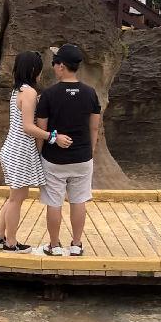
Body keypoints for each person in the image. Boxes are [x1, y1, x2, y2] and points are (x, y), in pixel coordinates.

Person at [0, 52, 72, 253]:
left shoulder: (19, 90)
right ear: (35, 70)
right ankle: (11, 243)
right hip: (20, 150)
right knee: (17, 198)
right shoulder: (29, 92)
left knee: (15, 196)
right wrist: (52, 136)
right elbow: (27, 127)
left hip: (13, 148)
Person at [36, 44, 101, 257]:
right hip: (83, 157)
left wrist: (40, 152)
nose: (54, 66)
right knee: (78, 200)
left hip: (54, 158)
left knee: (54, 202)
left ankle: (54, 246)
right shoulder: (91, 93)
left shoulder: (49, 95)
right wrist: (90, 150)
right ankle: (76, 244)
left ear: (62, 66)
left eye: (55, 63)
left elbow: (41, 129)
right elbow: (94, 126)